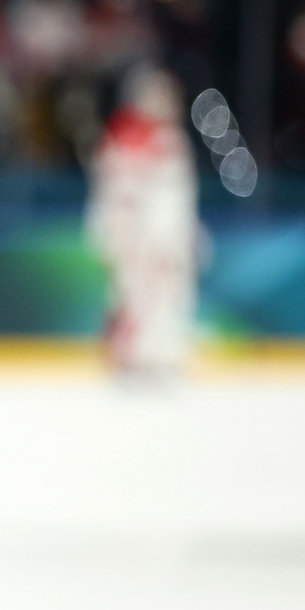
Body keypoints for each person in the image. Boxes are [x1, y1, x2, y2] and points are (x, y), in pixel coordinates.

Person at [87, 64, 201, 379]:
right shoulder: (125, 138)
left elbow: (180, 197)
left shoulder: (169, 140)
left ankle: (161, 351)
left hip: (165, 236)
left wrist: (188, 233)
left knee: (168, 294)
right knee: (132, 292)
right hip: (138, 235)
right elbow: (115, 194)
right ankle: (131, 353)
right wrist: (112, 230)